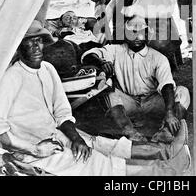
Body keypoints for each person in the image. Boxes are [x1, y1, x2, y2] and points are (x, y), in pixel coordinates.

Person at [0, 20, 191, 176]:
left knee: (100, 144)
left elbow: (62, 112)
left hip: (54, 134)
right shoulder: (12, 77)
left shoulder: (47, 69)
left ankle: (165, 151)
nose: (37, 47)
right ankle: (164, 171)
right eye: (30, 43)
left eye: (39, 41)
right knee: (95, 163)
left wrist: (76, 138)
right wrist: (34, 149)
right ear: (19, 47)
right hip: (33, 147)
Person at [81, 16, 190, 144]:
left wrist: (170, 113)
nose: (137, 37)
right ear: (126, 35)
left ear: (146, 35)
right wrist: (101, 62)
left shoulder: (157, 57)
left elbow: (166, 85)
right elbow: (88, 55)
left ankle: (166, 131)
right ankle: (130, 132)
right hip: (128, 102)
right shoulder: (116, 50)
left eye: (141, 33)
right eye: (132, 32)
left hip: (152, 102)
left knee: (183, 92)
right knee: (108, 91)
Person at [105, 0, 181, 71]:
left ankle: (163, 68)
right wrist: (105, 24)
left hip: (160, 22)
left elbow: (170, 6)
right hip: (140, 24)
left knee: (162, 37)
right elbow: (112, 3)